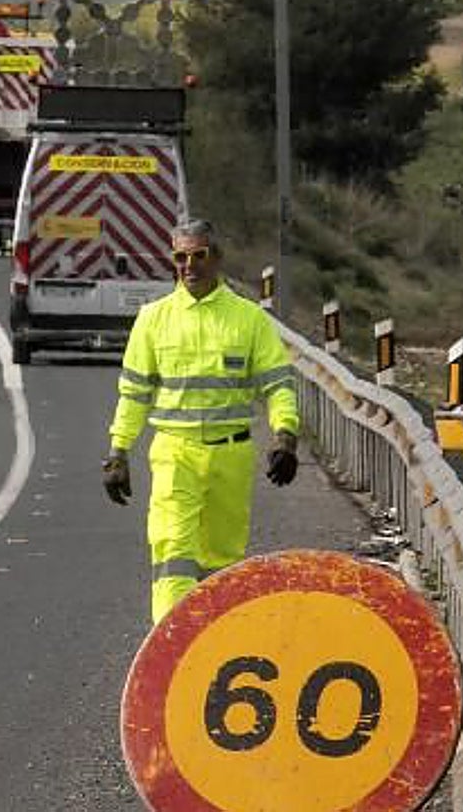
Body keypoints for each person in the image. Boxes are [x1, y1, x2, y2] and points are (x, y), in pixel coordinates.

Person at [102, 219, 300, 624]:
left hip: (231, 455)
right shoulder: (154, 319)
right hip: (175, 452)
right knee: (173, 552)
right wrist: (118, 451)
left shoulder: (249, 320)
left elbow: (278, 386)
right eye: (180, 257)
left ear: (216, 258)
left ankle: (215, 649)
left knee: (222, 563)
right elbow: (134, 394)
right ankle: (171, 650)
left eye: (198, 256)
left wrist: (285, 435)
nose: (189, 265)